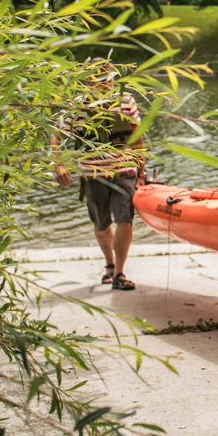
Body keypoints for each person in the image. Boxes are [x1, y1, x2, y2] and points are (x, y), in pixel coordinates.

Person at [50, 60, 145, 291]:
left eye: (109, 78)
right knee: (102, 225)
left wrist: (141, 173)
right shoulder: (77, 106)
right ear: (88, 81)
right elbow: (56, 136)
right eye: (100, 79)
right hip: (92, 175)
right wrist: (58, 166)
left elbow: (137, 138)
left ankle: (119, 273)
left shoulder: (125, 101)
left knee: (124, 220)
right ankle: (110, 265)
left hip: (124, 171)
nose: (106, 83)